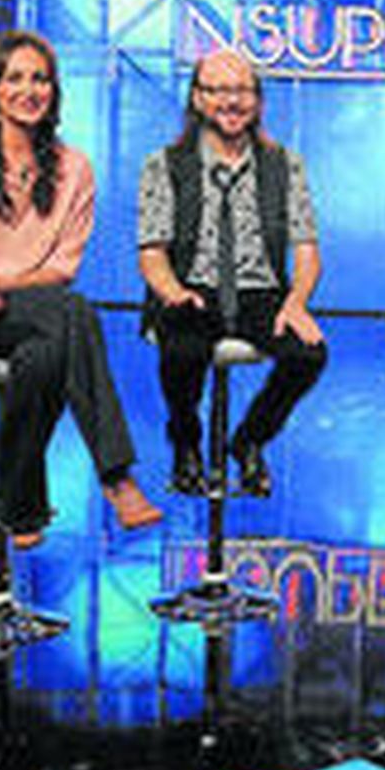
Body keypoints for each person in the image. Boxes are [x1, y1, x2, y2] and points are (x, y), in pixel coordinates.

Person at [0, 29, 161, 547]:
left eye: (41, 79)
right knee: (75, 315)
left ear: (54, 92)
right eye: (16, 77)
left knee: (44, 353)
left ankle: (20, 504)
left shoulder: (73, 169)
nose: (29, 90)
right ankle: (117, 477)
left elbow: (62, 268)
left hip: (32, 309)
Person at [137, 49, 327, 498]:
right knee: (182, 349)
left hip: (260, 292)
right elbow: (152, 253)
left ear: (258, 101)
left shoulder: (285, 165)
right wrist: (172, 292)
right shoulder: (164, 164)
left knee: (309, 354)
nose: (231, 101)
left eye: (241, 90)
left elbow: (306, 249)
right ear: (198, 99)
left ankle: (249, 441)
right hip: (189, 286)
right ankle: (186, 444)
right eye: (218, 90)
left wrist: (296, 302)